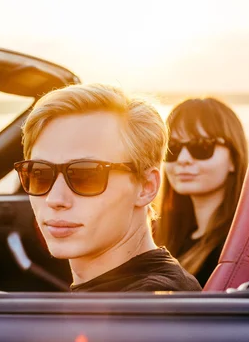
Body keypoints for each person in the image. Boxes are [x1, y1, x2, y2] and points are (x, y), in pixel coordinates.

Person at [15, 83, 201, 292]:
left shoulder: (147, 309)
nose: (55, 199)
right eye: (39, 173)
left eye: (86, 175)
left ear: (146, 187)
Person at [154, 98, 249, 287]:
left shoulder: (238, 247)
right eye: (172, 148)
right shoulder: (161, 238)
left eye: (202, 147)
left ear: (233, 159)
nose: (183, 159)